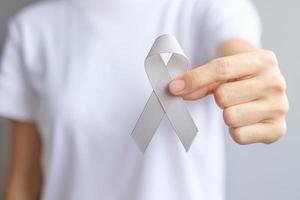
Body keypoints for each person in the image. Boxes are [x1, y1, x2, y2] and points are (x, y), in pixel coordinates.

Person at [0, 0, 288, 199]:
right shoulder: (31, 30)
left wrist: (251, 78)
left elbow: (237, 52)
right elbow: (24, 181)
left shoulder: (208, 7)